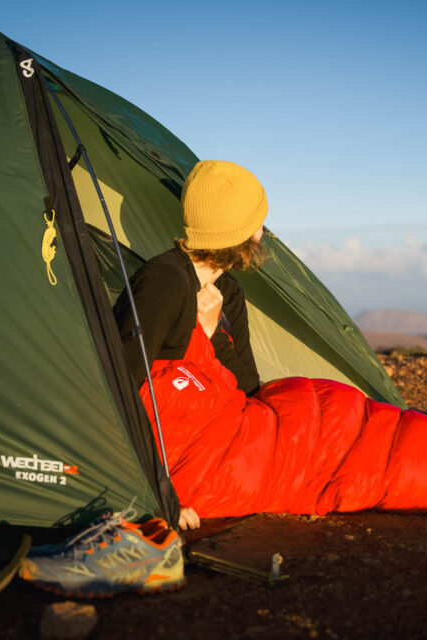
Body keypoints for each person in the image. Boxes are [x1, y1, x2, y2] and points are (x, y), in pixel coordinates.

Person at [113, 159, 268, 531]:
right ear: (240, 231)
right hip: (164, 465)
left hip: (219, 450)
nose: (262, 229)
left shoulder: (229, 292)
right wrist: (156, 496)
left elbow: (249, 387)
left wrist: (213, 335)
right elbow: (117, 391)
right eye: (257, 220)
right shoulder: (163, 282)